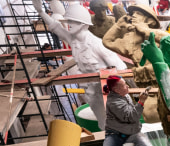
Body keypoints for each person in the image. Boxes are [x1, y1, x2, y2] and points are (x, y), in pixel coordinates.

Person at [32, 0, 126, 129]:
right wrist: (41, 11)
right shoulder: (74, 40)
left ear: (83, 24)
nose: (69, 25)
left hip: (108, 88)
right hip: (92, 90)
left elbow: (120, 68)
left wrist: (125, 89)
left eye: (72, 22)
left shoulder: (96, 43)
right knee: (103, 123)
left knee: (121, 120)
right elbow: (56, 27)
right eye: (69, 21)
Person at [103, 3, 170, 123]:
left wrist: (146, 30)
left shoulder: (157, 36)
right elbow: (107, 41)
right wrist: (118, 25)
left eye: (138, 14)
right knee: (151, 115)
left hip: (168, 82)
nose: (133, 16)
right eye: (132, 14)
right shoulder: (130, 42)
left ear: (149, 20)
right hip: (147, 84)